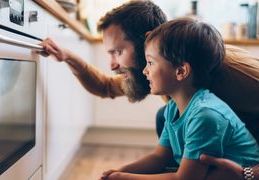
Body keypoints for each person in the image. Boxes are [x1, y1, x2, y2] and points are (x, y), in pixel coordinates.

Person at [40, 0, 259, 179]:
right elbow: (105, 86)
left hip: (247, 158)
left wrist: (248, 174)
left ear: (146, 40)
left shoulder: (231, 72)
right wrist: (68, 57)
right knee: (164, 116)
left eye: (117, 51)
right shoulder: (162, 72)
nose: (112, 64)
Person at [99, 18, 259, 180]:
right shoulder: (174, 107)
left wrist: (124, 178)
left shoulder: (205, 116)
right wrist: (121, 171)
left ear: (181, 71)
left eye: (151, 63)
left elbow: (183, 179)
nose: (144, 71)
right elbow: (160, 157)